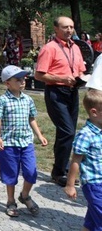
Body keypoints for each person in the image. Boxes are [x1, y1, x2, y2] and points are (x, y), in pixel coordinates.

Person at [34, 15, 86, 186]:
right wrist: (62, 79)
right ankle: (59, 171)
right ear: (56, 29)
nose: (69, 30)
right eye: (65, 27)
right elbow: (39, 75)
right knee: (68, 131)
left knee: (66, 132)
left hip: (72, 92)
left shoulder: (75, 48)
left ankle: (60, 170)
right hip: (56, 91)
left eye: (71, 27)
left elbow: (80, 70)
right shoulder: (49, 48)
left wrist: (82, 79)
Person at [0, 65, 47, 218]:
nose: (22, 82)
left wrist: (39, 135)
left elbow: (32, 118)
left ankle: (24, 195)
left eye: (23, 78)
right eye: (18, 79)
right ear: (7, 83)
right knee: (11, 174)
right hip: (9, 143)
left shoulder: (28, 99)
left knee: (31, 172)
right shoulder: (2, 101)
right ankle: (10, 200)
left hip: (26, 142)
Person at [65, 89, 102, 230]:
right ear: (94, 112)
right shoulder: (86, 135)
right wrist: (70, 184)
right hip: (94, 184)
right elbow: (75, 161)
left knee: (92, 221)